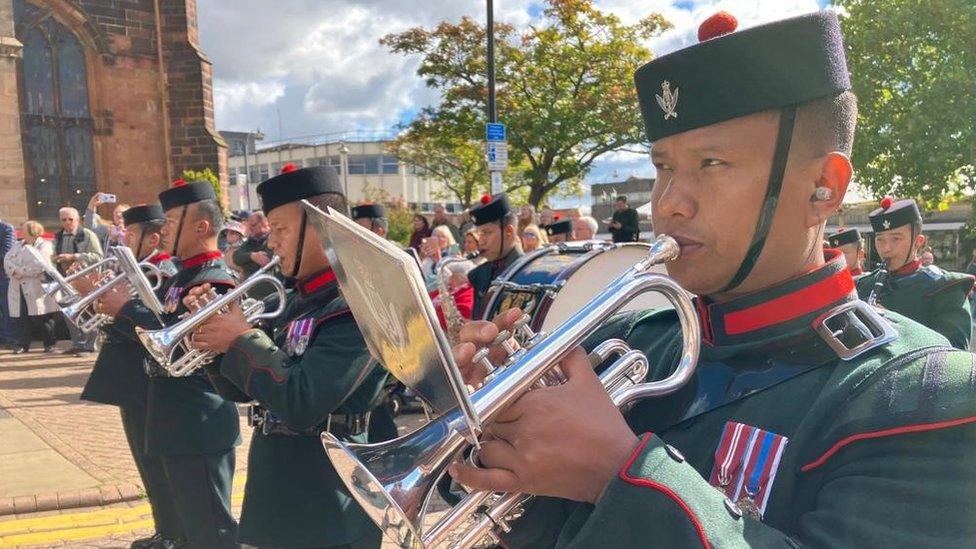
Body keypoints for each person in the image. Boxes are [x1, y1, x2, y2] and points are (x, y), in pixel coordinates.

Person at [445, 11, 976, 547]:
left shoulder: (929, 394)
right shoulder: (636, 338)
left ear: (824, 186)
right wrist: (495, 436)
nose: (669, 202)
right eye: (663, 166)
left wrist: (618, 477)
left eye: (713, 163)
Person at [183, 165, 388, 548]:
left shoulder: (359, 307)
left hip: (328, 501)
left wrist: (241, 339)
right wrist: (214, 345)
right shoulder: (296, 300)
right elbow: (248, 392)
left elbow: (301, 401)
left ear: (321, 227)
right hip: (279, 487)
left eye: (281, 229)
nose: (271, 243)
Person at [98, 179, 241, 548]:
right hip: (175, 417)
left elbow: (177, 342)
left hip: (198, 420)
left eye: (173, 221)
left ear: (202, 227)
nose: (164, 230)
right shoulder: (181, 277)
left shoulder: (216, 281)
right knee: (187, 528)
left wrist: (125, 309)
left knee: (211, 533)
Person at [76, 205, 183, 549]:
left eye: (132, 234)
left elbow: (156, 326)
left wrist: (117, 305)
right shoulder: (132, 270)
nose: (124, 238)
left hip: (151, 380)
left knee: (161, 465)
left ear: (152, 238)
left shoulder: (163, 271)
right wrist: (94, 300)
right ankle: (164, 530)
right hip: (131, 380)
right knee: (146, 463)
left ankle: (175, 534)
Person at [856, 197, 974, 349]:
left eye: (896, 238)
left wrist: (896, 325)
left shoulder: (946, 287)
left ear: (918, 242)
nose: (886, 248)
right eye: (880, 240)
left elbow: (955, 350)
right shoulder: (863, 285)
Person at [55, 206, 104, 355]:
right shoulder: (59, 236)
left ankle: (90, 345)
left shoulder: (88, 234)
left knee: (88, 312)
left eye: (71, 219)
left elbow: (98, 257)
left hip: (87, 279)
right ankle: (77, 343)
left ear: (77, 219)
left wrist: (74, 257)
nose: (67, 222)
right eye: (64, 220)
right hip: (67, 279)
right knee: (69, 312)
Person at [5, 221, 57, 354]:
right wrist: (14, 271)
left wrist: (21, 272)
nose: (21, 232)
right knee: (22, 317)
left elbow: (39, 265)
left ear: (32, 231)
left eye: (24, 229)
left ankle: (49, 343)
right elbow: (7, 260)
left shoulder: (44, 245)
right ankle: (22, 344)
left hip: (36, 287)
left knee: (42, 317)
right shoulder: (18, 245)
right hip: (18, 286)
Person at [468, 193, 523, 317]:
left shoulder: (526, 273)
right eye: (479, 234)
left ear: (509, 231)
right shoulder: (477, 274)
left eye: (486, 232)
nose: (481, 241)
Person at [232, 211, 275, 299]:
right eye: (248, 226)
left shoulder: (273, 238)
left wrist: (247, 264)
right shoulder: (250, 242)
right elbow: (236, 257)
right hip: (253, 294)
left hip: (272, 292)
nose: (249, 229)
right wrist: (252, 256)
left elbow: (267, 260)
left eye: (253, 225)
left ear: (264, 223)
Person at [0, 217, 15, 349]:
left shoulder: (6, 228)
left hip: (3, 276)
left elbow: (7, 252)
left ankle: (9, 339)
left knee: (6, 309)